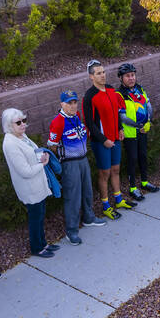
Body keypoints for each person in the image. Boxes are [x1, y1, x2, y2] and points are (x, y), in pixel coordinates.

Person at [47, 90, 108, 245]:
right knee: (72, 197)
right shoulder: (58, 121)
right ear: (62, 104)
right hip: (70, 163)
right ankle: (72, 230)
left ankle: (88, 218)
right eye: (69, 103)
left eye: (74, 102)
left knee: (87, 191)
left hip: (83, 160)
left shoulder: (76, 116)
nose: (73, 106)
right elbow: (52, 146)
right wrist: (63, 158)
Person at [1, 108, 59, 258]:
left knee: (40, 216)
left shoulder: (21, 136)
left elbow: (32, 154)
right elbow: (24, 171)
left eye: (24, 120)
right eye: (18, 122)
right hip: (30, 187)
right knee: (35, 218)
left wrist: (41, 156)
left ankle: (43, 243)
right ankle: (36, 248)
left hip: (38, 183)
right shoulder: (10, 143)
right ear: (9, 125)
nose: (23, 124)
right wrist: (43, 164)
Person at [83, 59, 134, 215]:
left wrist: (120, 129)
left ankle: (118, 200)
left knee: (116, 169)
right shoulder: (89, 96)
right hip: (101, 142)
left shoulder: (111, 90)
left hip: (115, 138)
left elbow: (116, 113)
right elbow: (90, 123)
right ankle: (106, 206)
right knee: (104, 173)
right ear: (91, 77)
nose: (103, 75)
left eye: (103, 72)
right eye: (98, 73)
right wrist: (103, 139)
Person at [117, 63, 160, 200]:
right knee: (132, 159)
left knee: (143, 156)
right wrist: (138, 125)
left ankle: (144, 182)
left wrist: (148, 121)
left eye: (133, 75)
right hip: (131, 133)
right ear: (121, 78)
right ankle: (132, 188)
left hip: (143, 130)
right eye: (127, 76)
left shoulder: (140, 89)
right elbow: (122, 117)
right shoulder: (119, 94)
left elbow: (148, 106)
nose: (131, 78)